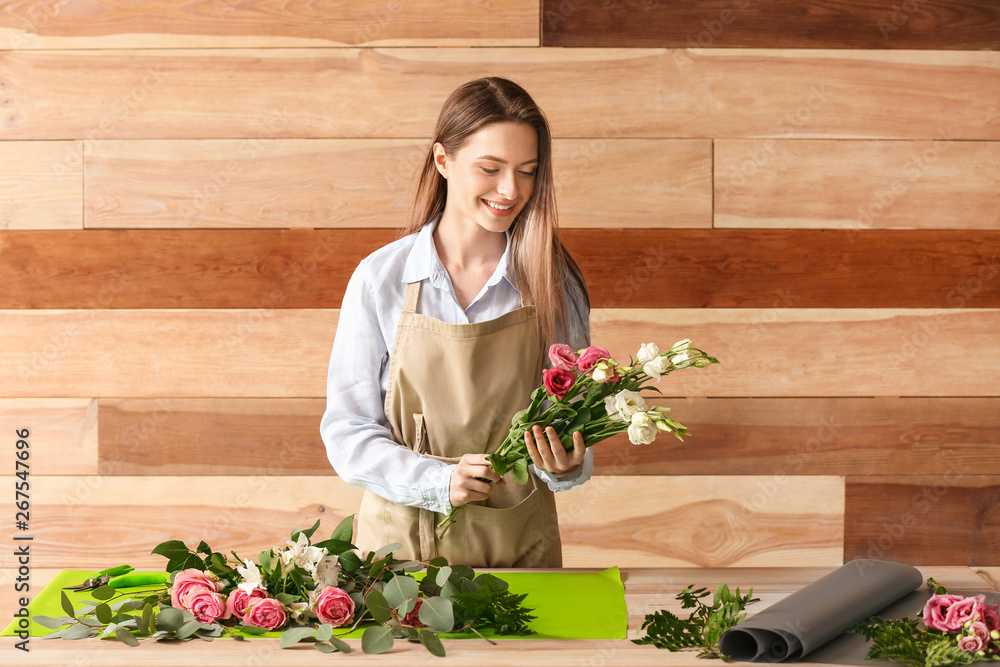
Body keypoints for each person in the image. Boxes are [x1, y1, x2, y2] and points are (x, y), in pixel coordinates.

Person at [320, 77, 592, 568]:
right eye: (490, 168)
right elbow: (348, 429)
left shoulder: (555, 283)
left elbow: (574, 424)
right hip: (397, 558)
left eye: (527, 172)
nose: (511, 190)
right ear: (443, 161)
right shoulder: (382, 278)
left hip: (521, 556)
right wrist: (438, 483)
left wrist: (569, 463)